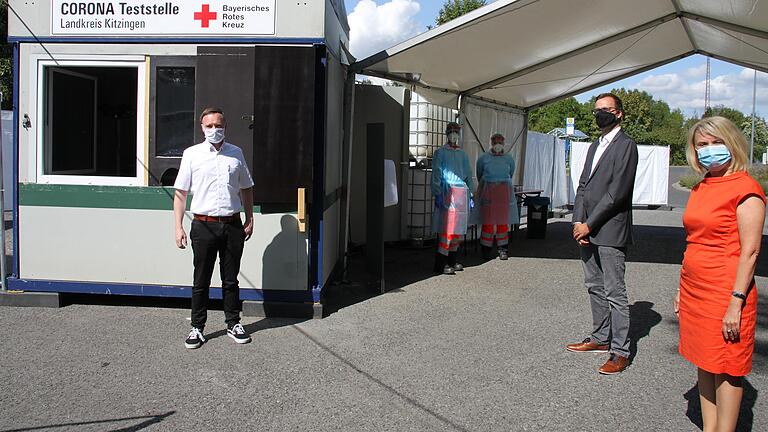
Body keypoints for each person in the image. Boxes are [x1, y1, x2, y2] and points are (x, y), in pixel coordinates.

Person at [675, 116, 765, 431]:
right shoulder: (701, 186)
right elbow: (693, 240)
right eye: (702, 145)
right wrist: (681, 289)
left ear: (733, 143)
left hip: (726, 291)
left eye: (716, 142)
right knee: (705, 361)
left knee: (727, 367)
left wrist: (736, 302)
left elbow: (750, 251)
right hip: (695, 289)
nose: (710, 150)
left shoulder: (745, 188)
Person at [567, 93, 638, 375]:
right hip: (587, 228)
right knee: (594, 286)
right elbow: (583, 185)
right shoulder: (596, 144)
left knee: (614, 293)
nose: (600, 115)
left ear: (619, 113)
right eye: (596, 110)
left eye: (605, 110)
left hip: (609, 230)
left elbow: (616, 193)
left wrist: (590, 224)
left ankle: (620, 351)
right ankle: (599, 338)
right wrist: (577, 222)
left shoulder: (626, 146)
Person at [173, 107, 255, 349]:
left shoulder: (236, 154)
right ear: (202, 128)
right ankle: (197, 328)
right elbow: (180, 193)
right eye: (209, 126)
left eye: (218, 125)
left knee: (230, 280)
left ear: (225, 127)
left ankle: (233, 323)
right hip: (203, 226)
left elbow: (246, 188)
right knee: (201, 280)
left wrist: (250, 218)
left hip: (232, 225)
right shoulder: (192, 155)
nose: (214, 130)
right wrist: (177, 227)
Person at [432, 121, 473, 275]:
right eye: (451, 131)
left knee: (457, 230)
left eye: (456, 131)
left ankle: (452, 260)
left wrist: (471, 194)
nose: (453, 134)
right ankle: (440, 264)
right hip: (447, 193)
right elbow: (436, 173)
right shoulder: (440, 153)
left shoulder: (463, 154)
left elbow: (468, 173)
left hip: (461, 194)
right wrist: (437, 193)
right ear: (446, 133)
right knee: (446, 230)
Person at [476, 133, 519, 260]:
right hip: (488, 193)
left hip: (503, 194)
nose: (498, 145)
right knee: (488, 223)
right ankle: (485, 249)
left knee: (502, 223)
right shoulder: (484, 158)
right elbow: (479, 174)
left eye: (500, 142)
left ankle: (503, 249)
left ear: (504, 143)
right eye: (495, 142)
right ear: (491, 143)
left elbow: (510, 173)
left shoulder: (508, 159)